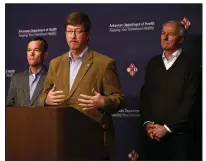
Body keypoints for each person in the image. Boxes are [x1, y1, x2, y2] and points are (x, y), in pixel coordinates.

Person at [38, 12, 124, 159]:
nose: (73, 36)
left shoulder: (104, 63)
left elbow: (119, 98)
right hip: (61, 139)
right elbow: (41, 98)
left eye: (78, 31)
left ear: (87, 35)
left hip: (92, 140)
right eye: (69, 31)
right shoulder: (55, 63)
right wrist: (46, 99)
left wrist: (102, 101)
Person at [140, 21, 199, 160]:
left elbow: (189, 102)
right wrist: (148, 123)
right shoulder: (153, 63)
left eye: (170, 34)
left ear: (181, 39)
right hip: (152, 138)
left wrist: (166, 128)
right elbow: (145, 96)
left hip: (178, 140)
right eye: (162, 33)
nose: (164, 38)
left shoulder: (191, 65)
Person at [7, 36, 48, 106]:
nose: (31, 54)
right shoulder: (16, 79)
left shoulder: (52, 77)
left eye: (36, 50)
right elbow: (9, 107)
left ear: (44, 55)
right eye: (29, 50)